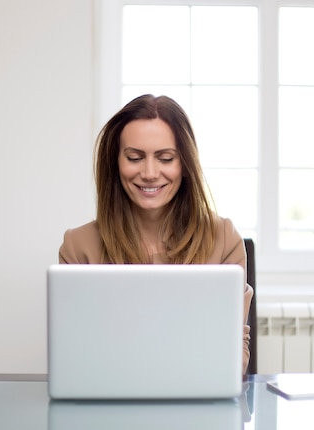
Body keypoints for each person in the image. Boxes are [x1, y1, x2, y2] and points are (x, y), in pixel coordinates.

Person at [58, 94, 253, 374]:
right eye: (135, 157)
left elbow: (235, 361)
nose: (150, 173)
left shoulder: (223, 239)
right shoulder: (79, 247)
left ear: (184, 165)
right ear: (116, 164)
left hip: (198, 407)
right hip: (109, 407)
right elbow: (74, 358)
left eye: (165, 158)